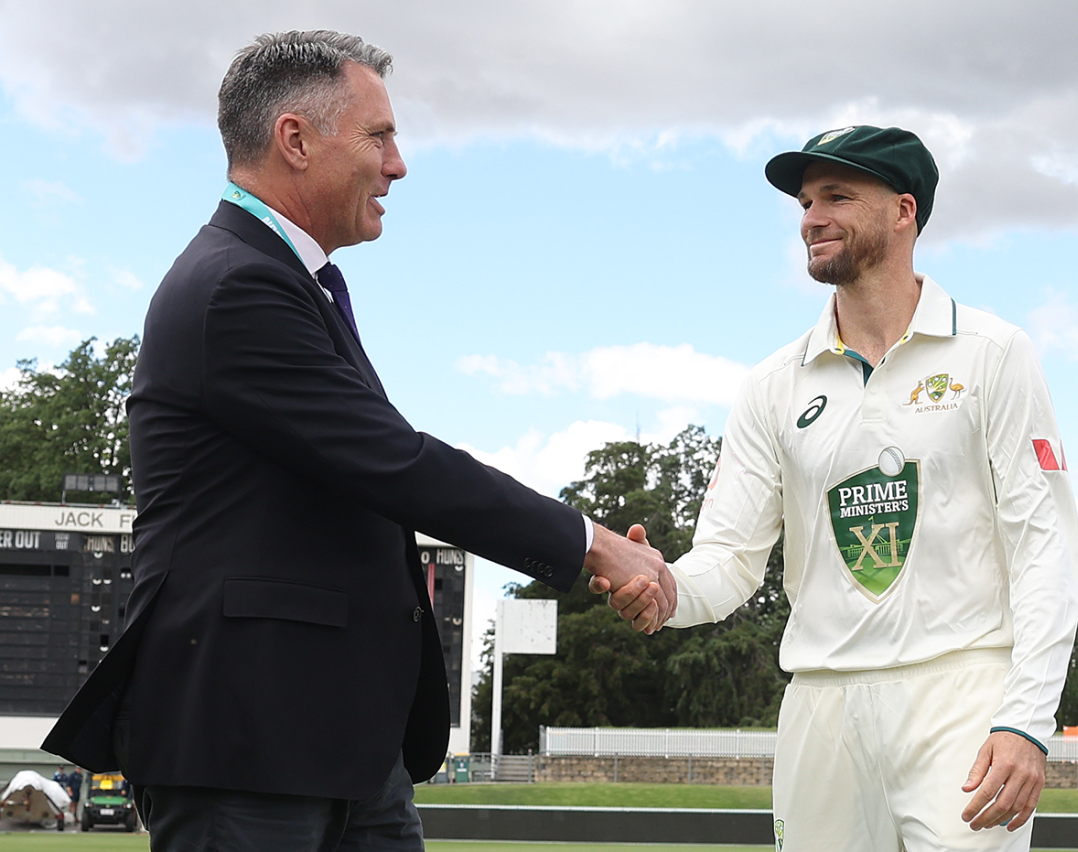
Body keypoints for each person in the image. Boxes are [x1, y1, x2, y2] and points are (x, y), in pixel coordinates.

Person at [42, 30, 672, 851]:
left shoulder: (277, 282)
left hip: (338, 745)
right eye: (380, 136)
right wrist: (592, 544)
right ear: (295, 139)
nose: (398, 164)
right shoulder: (236, 288)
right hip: (249, 745)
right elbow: (396, 463)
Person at [598, 125, 1078, 851]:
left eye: (837, 196)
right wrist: (667, 590)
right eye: (804, 202)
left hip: (960, 693)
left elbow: (1044, 544)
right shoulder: (772, 384)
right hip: (820, 704)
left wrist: (1026, 720)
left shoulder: (993, 355)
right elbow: (728, 558)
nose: (811, 219)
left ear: (903, 211)